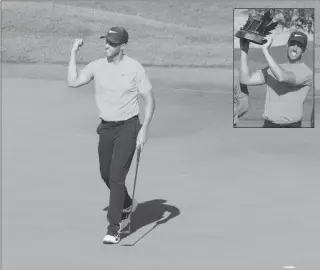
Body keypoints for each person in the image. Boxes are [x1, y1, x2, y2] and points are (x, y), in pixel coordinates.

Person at [67, 26, 155, 244]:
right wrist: (73, 53)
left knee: (116, 177)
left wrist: (144, 129)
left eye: (113, 43)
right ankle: (127, 203)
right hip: (106, 128)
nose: (107, 45)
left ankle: (114, 228)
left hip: (129, 126)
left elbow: (150, 100)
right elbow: (73, 81)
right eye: (106, 41)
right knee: (105, 174)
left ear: (123, 46)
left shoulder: (135, 68)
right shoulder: (97, 66)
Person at [239, 31, 313, 128]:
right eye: (292, 44)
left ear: (304, 50)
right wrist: (244, 50)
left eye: (299, 46)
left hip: (292, 127)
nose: (295, 48)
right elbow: (246, 79)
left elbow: (282, 77)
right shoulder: (273, 69)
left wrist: (265, 51)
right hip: (268, 125)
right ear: (287, 45)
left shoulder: (306, 72)